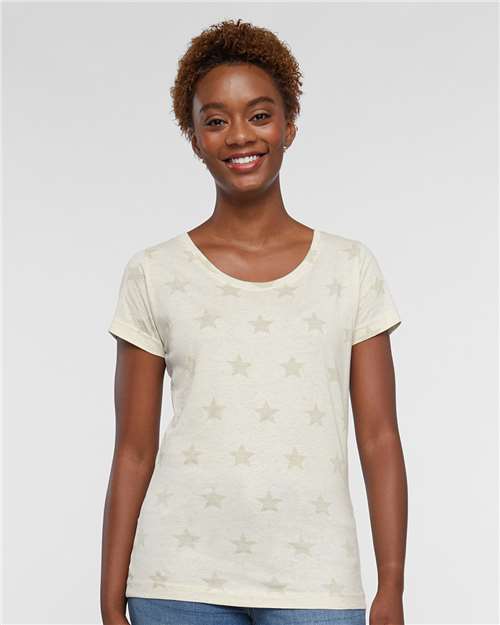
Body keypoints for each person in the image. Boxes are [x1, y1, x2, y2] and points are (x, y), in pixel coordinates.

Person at [101, 18, 407, 625]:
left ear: (289, 124)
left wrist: (392, 586)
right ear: (194, 138)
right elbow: (133, 450)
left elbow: (379, 438)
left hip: (317, 583)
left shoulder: (349, 268)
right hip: (176, 581)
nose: (240, 135)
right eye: (215, 120)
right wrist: (110, 599)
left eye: (260, 114)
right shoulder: (155, 273)